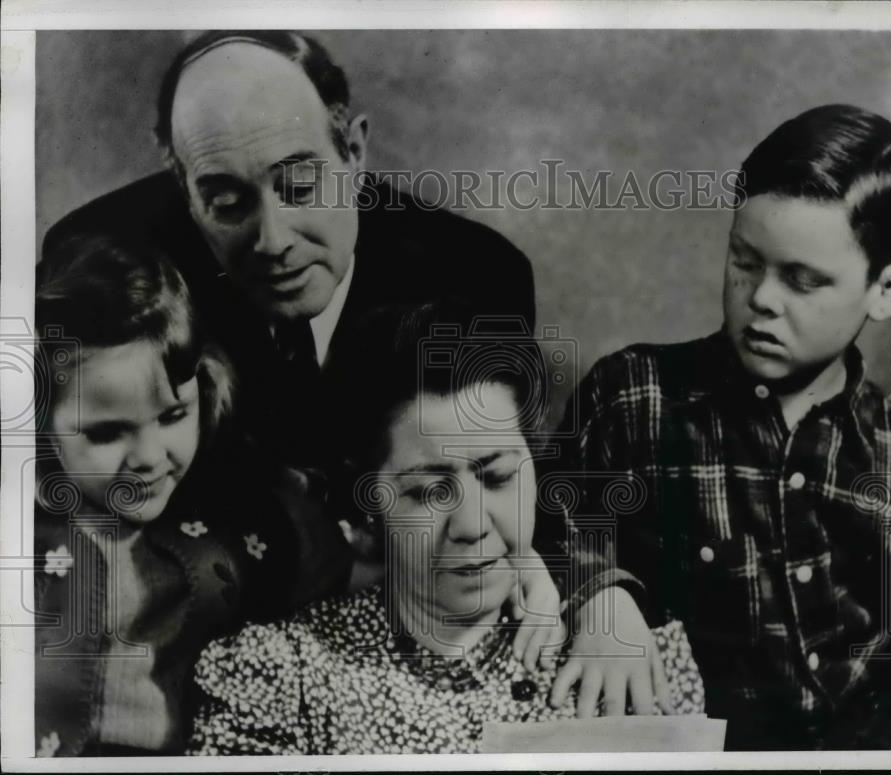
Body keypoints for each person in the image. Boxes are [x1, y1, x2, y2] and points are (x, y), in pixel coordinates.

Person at [554, 105, 891, 749]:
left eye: (803, 281)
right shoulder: (634, 399)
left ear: (886, 290)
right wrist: (599, 592)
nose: (761, 300)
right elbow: (538, 523)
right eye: (745, 261)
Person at [187, 301, 706, 755]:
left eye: (497, 477)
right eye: (429, 492)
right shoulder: (281, 675)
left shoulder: (626, 659)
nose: (471, 526)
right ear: (370, 506)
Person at [41, 30, 535, 469]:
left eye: (300, 188)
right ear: (184, 190)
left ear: (355, 154)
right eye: (227, 203)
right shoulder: (110, 267)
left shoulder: (478, 277)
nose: (272, 242)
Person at [33, 235, 301, 756]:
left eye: (174, 415)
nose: (150, 457)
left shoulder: (240, 515)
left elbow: (360, 571)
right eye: (108, 432)